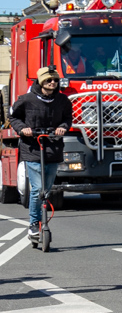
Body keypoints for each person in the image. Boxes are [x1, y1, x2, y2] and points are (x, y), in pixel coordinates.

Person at [10, 67, 72, 239]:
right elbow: (14, 118)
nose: (52, 83)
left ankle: (42, 221)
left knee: (47, 190)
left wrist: (62, 128)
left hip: (53, 149)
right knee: (38, 189)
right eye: (48, 80)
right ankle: (33, 224)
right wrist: (23, 129)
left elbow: (68, 118)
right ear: (40, 81)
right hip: (32, 148)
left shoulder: (62, 100)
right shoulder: (26, 100)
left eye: (55, 80)